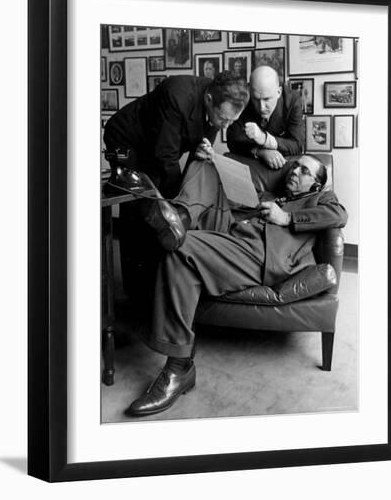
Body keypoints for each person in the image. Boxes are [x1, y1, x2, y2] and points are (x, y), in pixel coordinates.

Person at [125, 154, 348, 416]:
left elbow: (339, 214)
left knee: (179, 247)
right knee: (204, 163)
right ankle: (182, 216)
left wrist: (286, 218)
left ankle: (178, 367)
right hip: (232, 234)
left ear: (316, 185)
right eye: (295, 165)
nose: (295, 171)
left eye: (304, 171)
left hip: (261, 255)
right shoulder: (270, 195)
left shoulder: (320, 199)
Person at [104, 71, 249, 198]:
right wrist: (177, 199)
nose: (225, 126)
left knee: (158, 193)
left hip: (154, 143)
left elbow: (197, 155)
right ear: (208, 99)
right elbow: (166, 155)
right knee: (138, 195)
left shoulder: (220, 106)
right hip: (125, 137)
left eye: (231, 121)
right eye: (223, 119)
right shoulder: (176, 95)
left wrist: (186, 195)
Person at [227, 66, 305, 173]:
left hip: (283, 169)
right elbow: (232, 142)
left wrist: (264, 139)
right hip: (250, 167)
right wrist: (259, 152)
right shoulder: (244, 97)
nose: (261, 107)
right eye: (256, 99)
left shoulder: (293, 101)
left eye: (267, 99)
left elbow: (297, 146)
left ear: (279, 92)